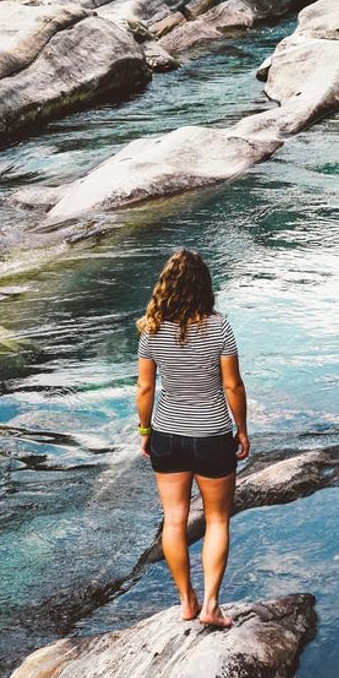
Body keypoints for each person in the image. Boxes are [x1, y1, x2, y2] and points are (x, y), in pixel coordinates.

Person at [136, 249, 249, 629]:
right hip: (213, 436)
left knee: (174, 520)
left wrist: (145, 431)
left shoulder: (150, 329)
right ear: (205, 286)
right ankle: (211, 606)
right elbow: (232, 385)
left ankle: (186, 601)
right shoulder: (219, 327)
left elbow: (144, 389)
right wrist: (242, 429)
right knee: (217, 520)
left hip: (167, 435)